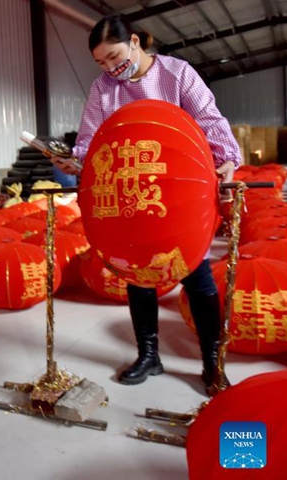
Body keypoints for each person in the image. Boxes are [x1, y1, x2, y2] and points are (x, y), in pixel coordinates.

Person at [53, 15, 242, 396]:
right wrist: (75, 159)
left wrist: (227, 159)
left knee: (196, 273)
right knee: (136, 272)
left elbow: (208, 119)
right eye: (101, 62)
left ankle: (212, 360)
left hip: (178, 192)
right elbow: (91, 139)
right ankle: (149, 354)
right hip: (129, 192)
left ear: (136, 42)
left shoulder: (176, 74)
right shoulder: (104, 89)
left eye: (114, 57)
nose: (110, 68)